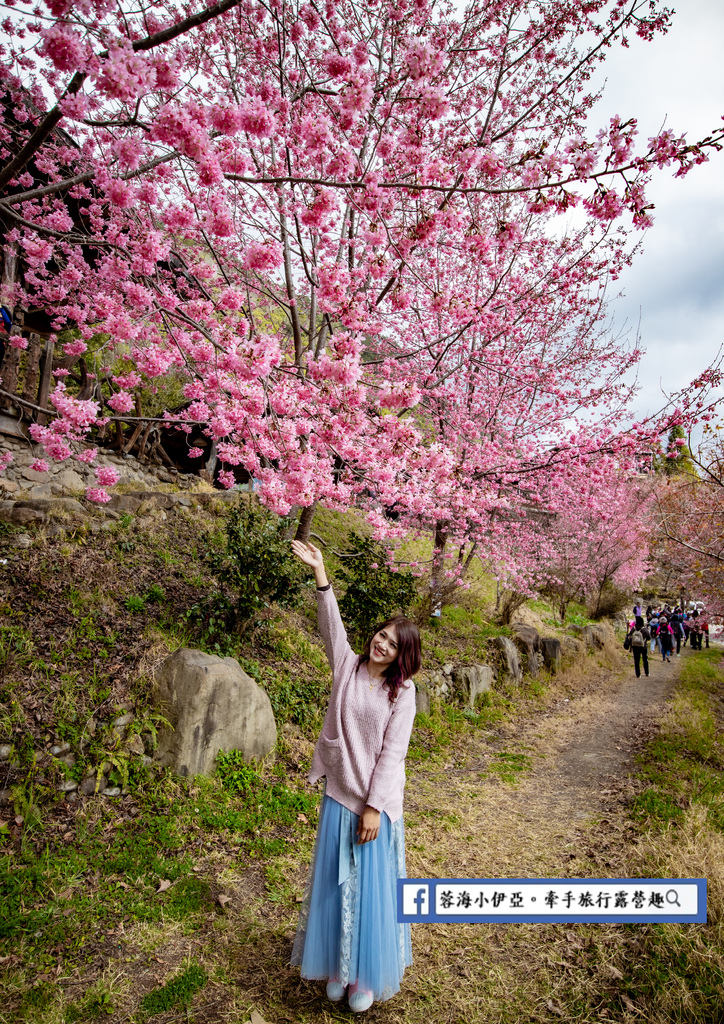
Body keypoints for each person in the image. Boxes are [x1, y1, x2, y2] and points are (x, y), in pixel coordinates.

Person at [290, 539, 421, 1013]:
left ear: (402, 653)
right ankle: (337, 968)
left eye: (391, 642)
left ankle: (364, 974)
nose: (380, 643)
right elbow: (331, 627)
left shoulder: (402, 694)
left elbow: (393, 755)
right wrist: (321, 573)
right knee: (334, 884)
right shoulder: (348, 665)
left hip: (373, 804)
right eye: (380, 635)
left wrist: (374, 807)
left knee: (368, 888)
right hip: (339, 793)